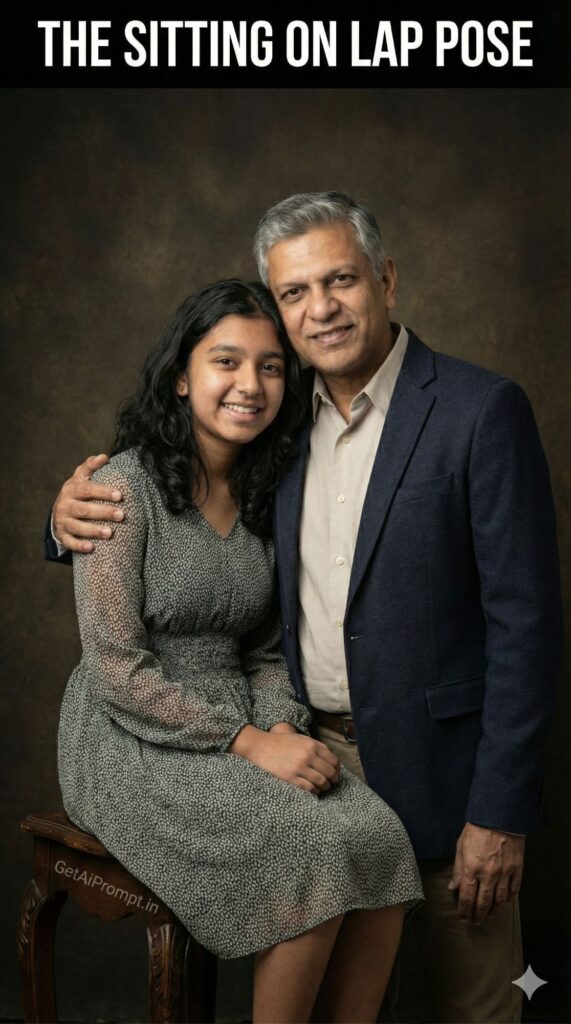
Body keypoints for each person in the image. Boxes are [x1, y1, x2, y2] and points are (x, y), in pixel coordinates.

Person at [48, 194, 563, 1023]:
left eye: (339, 280)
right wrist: (63, 521)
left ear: (385, 280)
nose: (319, 309)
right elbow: (161, 518)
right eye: (293, 293)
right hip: (304, 745)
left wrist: (498, 813)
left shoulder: (477, 410)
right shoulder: (280, 437)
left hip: (439, 774)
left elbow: (526, 627)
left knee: (480, 1006)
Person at [53, 276, 423, 1024]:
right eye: (225, 362)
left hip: (247, 718)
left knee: (380, 837)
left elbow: (265, 650)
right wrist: (246, 742)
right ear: (182, 377)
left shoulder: (269, 492)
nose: (249, 385)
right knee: (309, 848)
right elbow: (116, 668)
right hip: (130, 735)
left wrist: (281, 726)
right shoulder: (121, 489)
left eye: (270, 366)